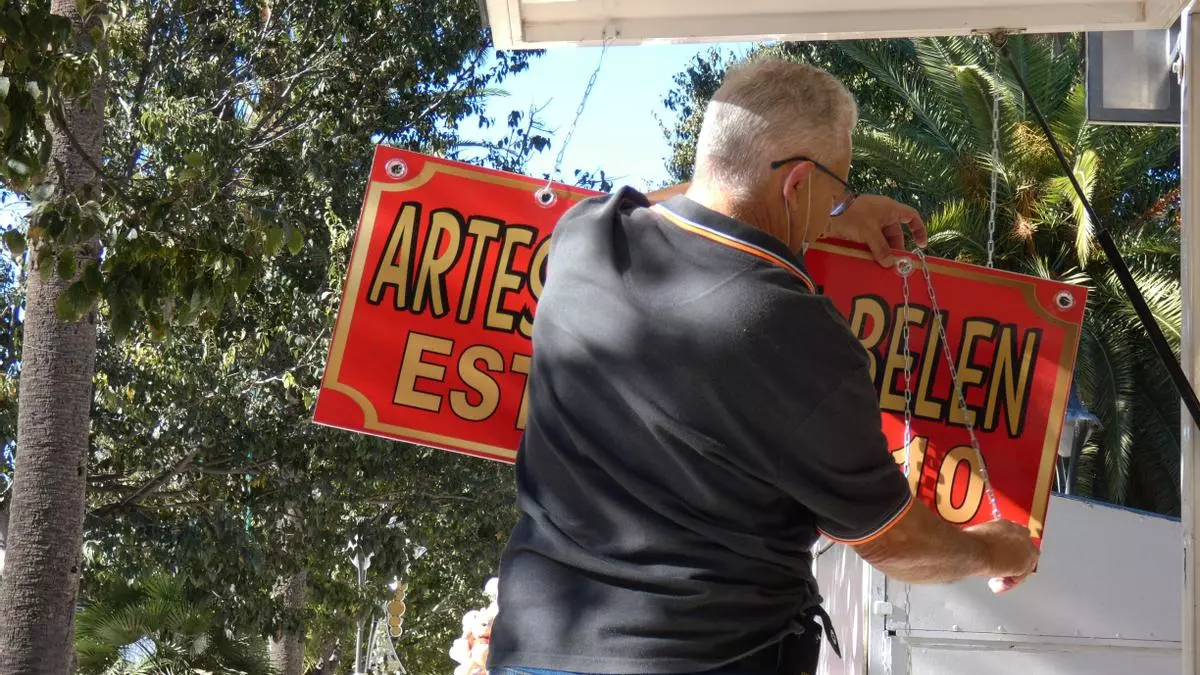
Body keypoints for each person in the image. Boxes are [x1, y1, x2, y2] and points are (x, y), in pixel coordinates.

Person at [486, 56, 1039, 675]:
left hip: (534, 650)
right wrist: (995, 551)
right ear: (797, 183)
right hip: (710, 658)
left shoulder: (587, 235)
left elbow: (687, 195)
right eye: (841, 183)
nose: (841, 200)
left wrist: (834, 214)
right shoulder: (797, 332)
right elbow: (891, 539)